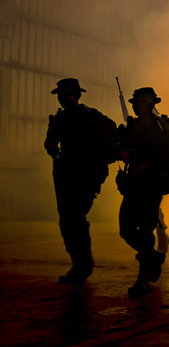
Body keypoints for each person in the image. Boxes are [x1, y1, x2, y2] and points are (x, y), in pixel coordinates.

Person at [44, 78, 117, 285]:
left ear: (76, 96)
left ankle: (82, 266)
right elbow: (51, 141)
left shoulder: (91, 118)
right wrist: (50, 144)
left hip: (85, 176)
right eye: (61, 95)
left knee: (75, 218)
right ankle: (79, 263)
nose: (62, 99)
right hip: (65, 175)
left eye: (66, 94)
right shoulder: (60, 119)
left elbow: (108, 144)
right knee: (67, 221)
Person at [117, 87, 169, 296]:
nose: (138, 106)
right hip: (134, 184)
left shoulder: (161, 129)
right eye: (136, 103)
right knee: (126, 229)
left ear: (150, 105)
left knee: (146, 232)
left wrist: (149, 165)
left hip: (152, 185)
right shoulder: (131, 127)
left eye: (142, 103)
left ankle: (143, 279)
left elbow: (168, 157)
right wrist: (123, 152)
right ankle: (153, 257)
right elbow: (118, 148)